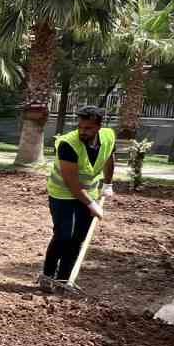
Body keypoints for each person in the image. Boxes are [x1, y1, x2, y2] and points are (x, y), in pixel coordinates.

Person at [41, 105, 116, 293]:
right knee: (63, 235)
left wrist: (108, 184)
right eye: (80, 127)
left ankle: (63, 280)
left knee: (77, 239)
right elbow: (71, 182)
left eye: (88, 128)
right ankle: (47, 276)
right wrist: (91, 204)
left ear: (99, 127)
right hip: (62, 193)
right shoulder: (68, 144)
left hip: (89, 191)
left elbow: (109, 159)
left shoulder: (108, 136)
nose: (83, 131)